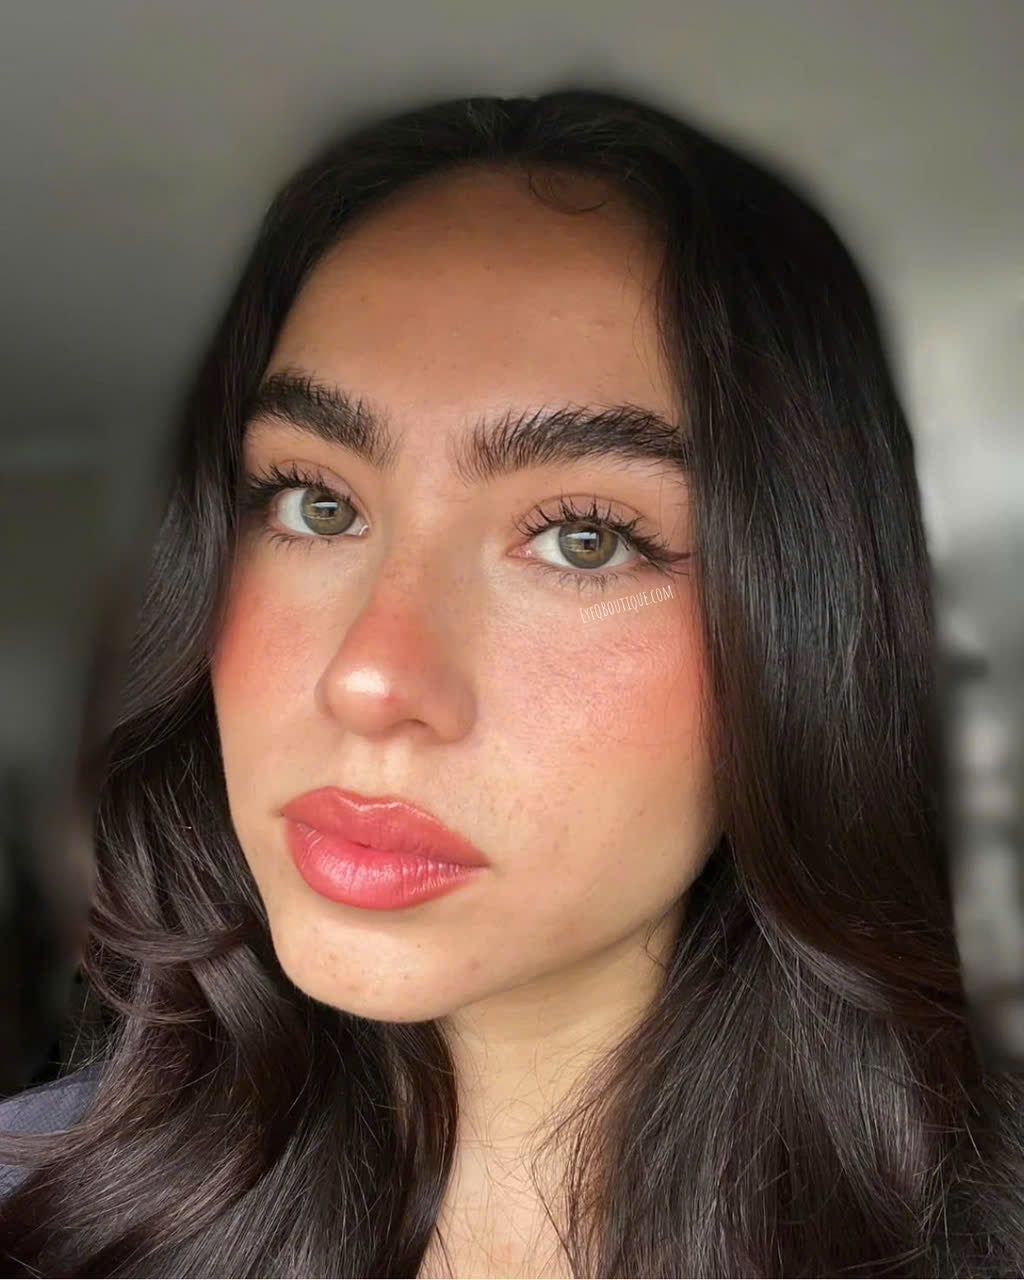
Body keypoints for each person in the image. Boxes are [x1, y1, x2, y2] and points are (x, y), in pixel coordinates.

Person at [1, 86, 1022, 1279]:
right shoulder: (38, 1208)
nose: (369, 677)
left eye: (584, 539)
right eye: (316, 503)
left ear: (807, 630)